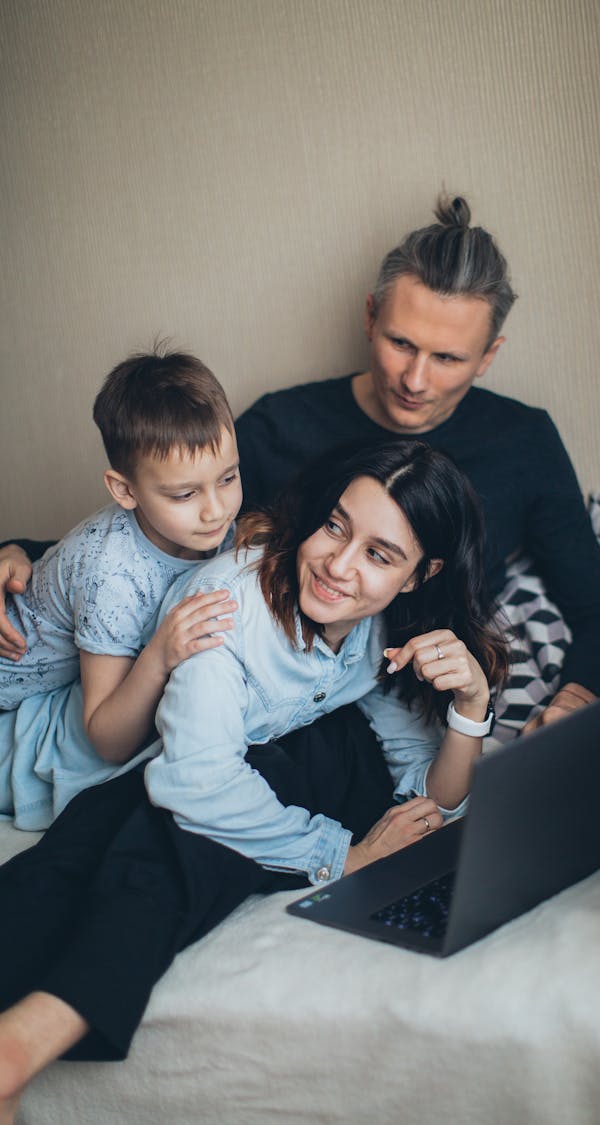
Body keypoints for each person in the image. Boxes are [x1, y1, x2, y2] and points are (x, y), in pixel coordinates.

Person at [0, 438, 507, 1116]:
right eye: (336, 526)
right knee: (184, 811)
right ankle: (18, 1043)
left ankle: (21, 1036)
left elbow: (428, 801)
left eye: (380, 555)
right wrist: (343, 856)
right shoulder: (225, 608)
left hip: (197, 768)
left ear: (421, 574)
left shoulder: (376, 631)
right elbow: (194, 783)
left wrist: (472, 709)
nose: (338, 564)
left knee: (285, 759)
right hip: (103, 768)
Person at [0, 193, 600, 730]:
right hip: (283, 687)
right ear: (369, 318)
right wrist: (22, 554)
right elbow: (164, 525)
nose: (415, 379)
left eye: (448, 359)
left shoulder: (524, 442)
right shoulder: (283, 424)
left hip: (408, 702)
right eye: (400, 343)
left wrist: (577, 697)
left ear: (488, 356)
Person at [0, 348, 242, 829]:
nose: (216, 510)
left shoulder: (215, 528)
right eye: (185, 494)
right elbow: (106, 739)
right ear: (124, 490)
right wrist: (159, 655)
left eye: (229, 478)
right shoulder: (111, 574)